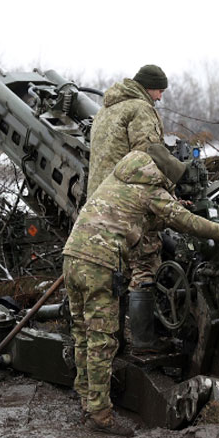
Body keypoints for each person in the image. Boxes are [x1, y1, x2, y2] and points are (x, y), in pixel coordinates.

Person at [62, 144, 219, 436]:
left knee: (83, 333)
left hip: (72, 257)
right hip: (100, 263)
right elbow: (186, 223)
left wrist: (169, 208)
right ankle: (99, 415)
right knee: (102, 341)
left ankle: (87, 400)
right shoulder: (152, 190)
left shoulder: (119, 178)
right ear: (163, 175)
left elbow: (137, 213)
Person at [87, 64, 169, 352]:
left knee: (112, 273)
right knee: (144, 265)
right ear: (149, 87)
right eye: (159, 90)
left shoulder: (105, 111)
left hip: (100, 203)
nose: (160, 97)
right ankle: (145, 342)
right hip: (130, 201)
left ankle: (114, 343)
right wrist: (173, 187)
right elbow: (150, 156)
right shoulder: (140, 109)